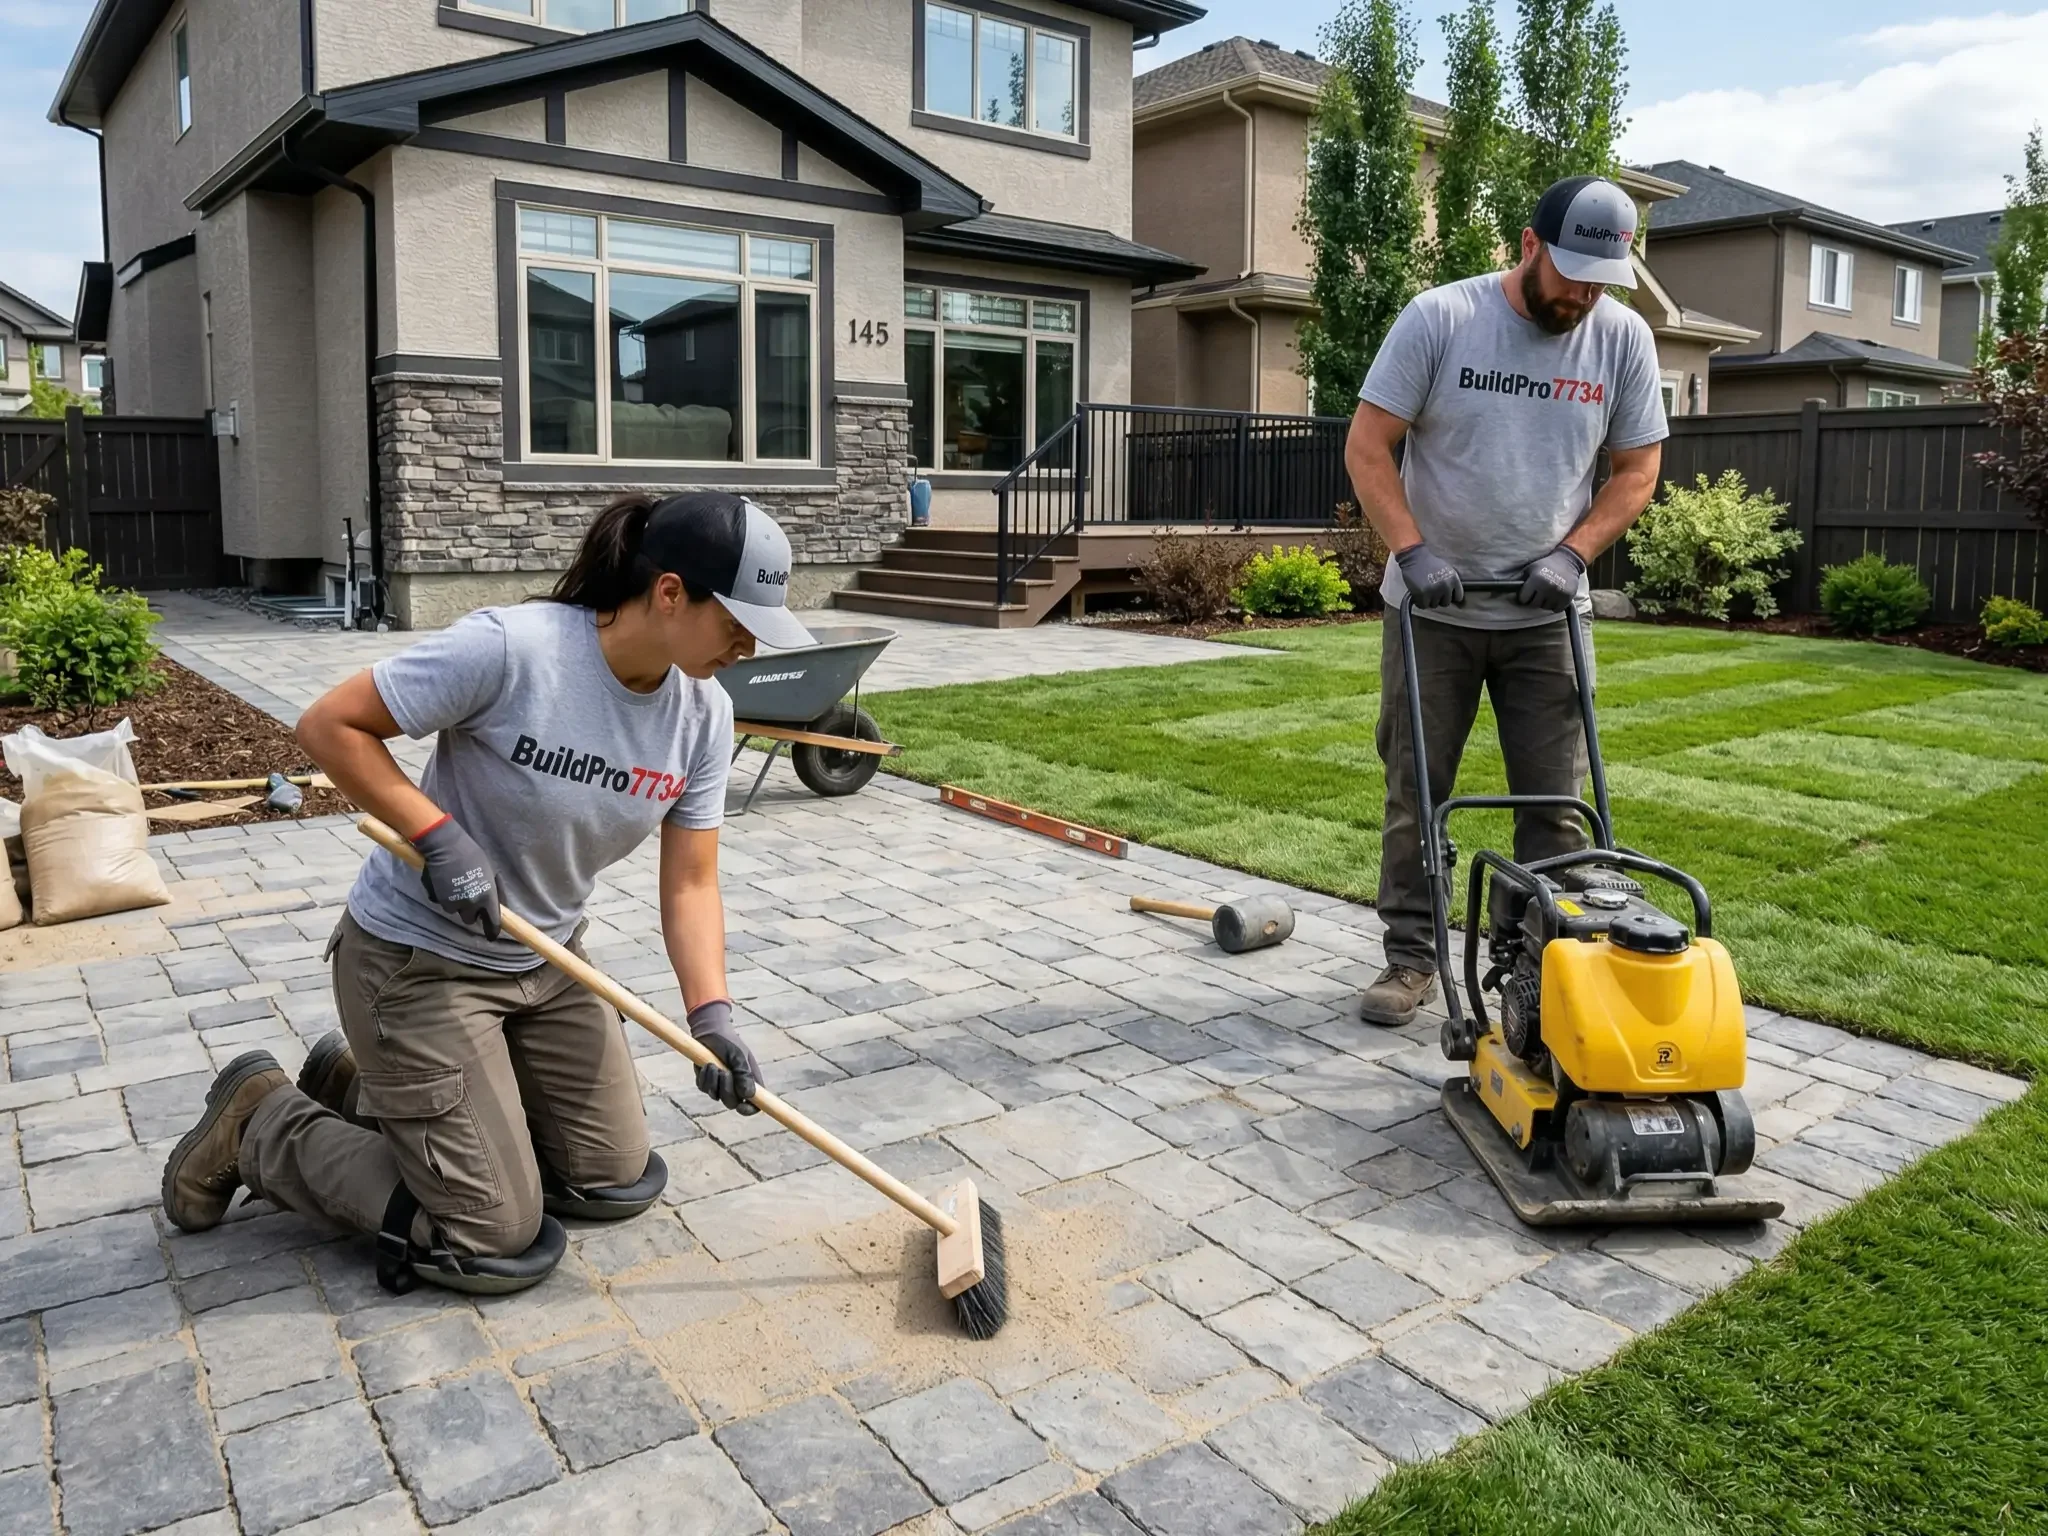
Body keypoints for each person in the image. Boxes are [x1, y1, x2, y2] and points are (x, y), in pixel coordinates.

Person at [160, 491, 815, 1295]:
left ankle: (358, 1086)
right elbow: (330, 725)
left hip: (546, 961)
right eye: (738, 622)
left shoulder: (703, 715)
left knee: (611, 1180)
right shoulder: (515, 650)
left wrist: (711, 1016)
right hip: (418, 962)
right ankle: (261, 1120)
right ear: (670, 592)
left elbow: (691, 878)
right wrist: (437, 835)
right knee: (495, 1233)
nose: (747, 647)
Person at [1344, 175, 1668, 1027]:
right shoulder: (1441, 318)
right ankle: (1410, 959)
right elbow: (1368, 447)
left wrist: (1574, 554)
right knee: (1418, 793)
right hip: (1433, 612)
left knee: (1557, 807)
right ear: (1528, 246)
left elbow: (1637, 470)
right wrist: (1412, 553)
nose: (1584, 294)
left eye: (1602, 278)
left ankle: (1542, 972)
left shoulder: (1623, 339)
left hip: (1547, 616)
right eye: (1570, 274)